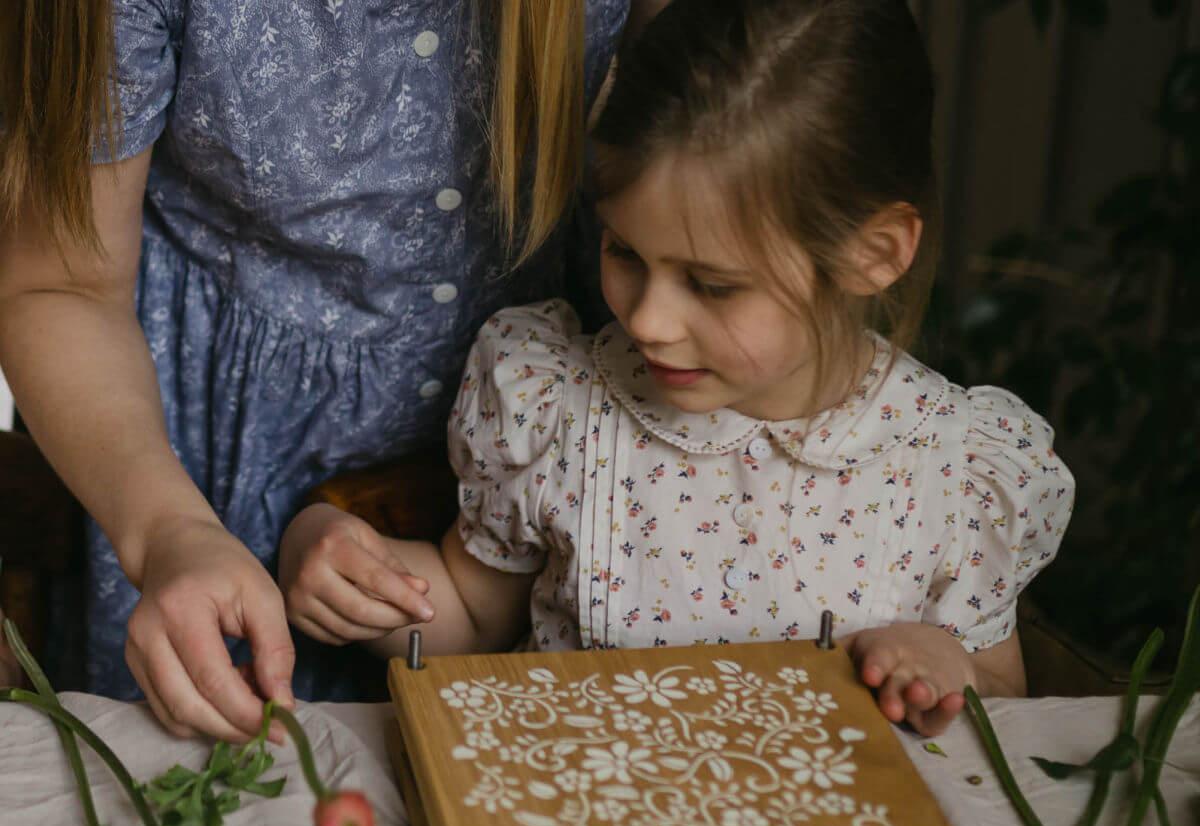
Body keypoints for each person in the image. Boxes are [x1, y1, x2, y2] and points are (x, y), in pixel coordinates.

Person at [278, 0, 1076, 737]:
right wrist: (347, 572)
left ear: (871, 255)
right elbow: (469, 620)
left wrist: (946, 669)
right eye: (625, 250)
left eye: (711, 283)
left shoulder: (955, 471)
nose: (648, 320)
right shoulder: (559, 407)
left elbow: (1005, 713)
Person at [0, 0, 652, 738]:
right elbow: (60, 283)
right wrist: (168, 531)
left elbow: (749, 113)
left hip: (555, 450)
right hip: (200, 455)